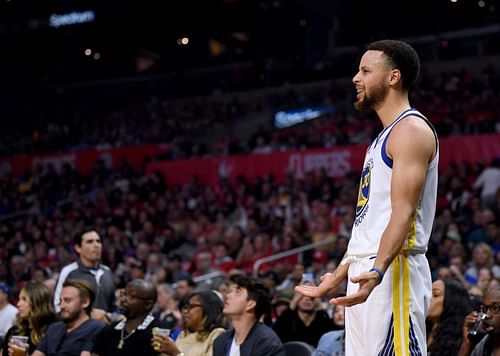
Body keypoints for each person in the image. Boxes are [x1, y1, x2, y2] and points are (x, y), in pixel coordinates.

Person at [296, 39, 439, 356]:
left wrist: (376, 271)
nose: (355, 78)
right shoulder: (379, 141)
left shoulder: (411, 131)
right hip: (367, 274)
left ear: (393, 77)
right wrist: (336, 277)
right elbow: (367, 225)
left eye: (365, 70)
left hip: (392, 271)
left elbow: (403, 213)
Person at [53, 228, 115, 323]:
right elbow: (57, 307)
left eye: (98, 241)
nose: (96, 245)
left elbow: (112, 305)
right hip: (77, 331)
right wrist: (89, 316)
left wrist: (113, 316)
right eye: (90, 242)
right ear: (78, 248)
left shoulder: (107, 272)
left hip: (105, 331)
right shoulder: (68, 271)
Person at [91, 279, 168, 356]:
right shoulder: (109, 330)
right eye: (123, 294)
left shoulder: (159, 333)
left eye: (132, 297)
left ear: (148, 304)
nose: (123, 299)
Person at [27, 279, 103, 356]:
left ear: (85, 302)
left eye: (67, 300)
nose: (62, 306)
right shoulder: (53, 328)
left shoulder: (96, 329)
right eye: (60, 301)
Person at [213, 275, 285, 356]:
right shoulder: (221, 341)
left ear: (250, 304)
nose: (228, 295)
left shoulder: (267, 343)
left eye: (238, 292)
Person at [152, 290, 226, 356]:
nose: (185, 311)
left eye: (192, 306)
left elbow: (176, 353)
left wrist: (176, 353)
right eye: (186, 307)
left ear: (208, 308)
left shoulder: (217, 334)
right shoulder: (183, 334)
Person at [1, 282, 56, 356]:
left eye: (24, 299)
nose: (18, 304)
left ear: (37, 302)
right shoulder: (15, 331)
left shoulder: (52, 331)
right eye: (19, 299)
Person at [426, 279, 472, 355]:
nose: (428, 299)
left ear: (452, 301)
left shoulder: (459, 339)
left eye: (435, 295)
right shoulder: (422, 329)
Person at [458, 284, 500, 355]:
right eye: (484, 309)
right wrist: (467, 343)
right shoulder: (484, 342)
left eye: (495, 308)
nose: (487, 315)